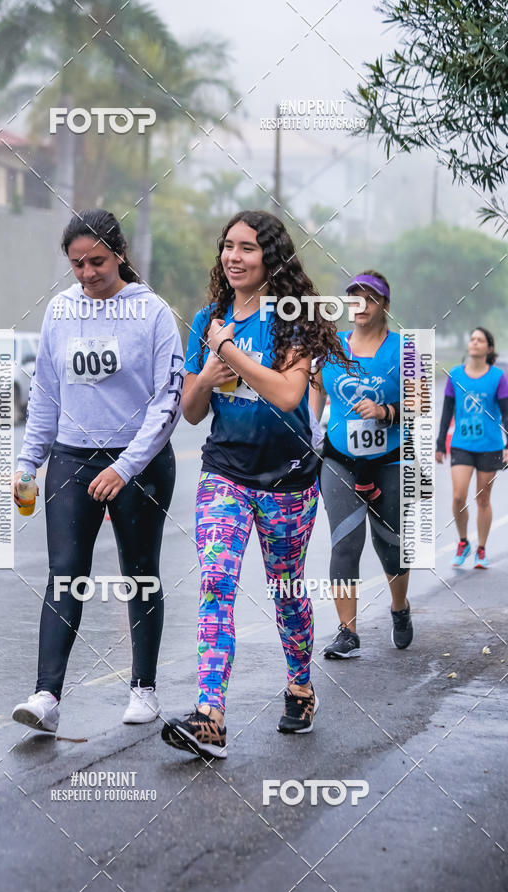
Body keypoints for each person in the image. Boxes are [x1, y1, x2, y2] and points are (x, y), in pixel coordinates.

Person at [160, 210, 353, 759]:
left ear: (271, 256)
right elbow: (192, 412)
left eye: (247, 247)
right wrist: (206, 376)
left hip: (288, 480)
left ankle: (300, 686)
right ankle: (210, 717)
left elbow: (289, 395)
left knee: (286, 589)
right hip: (225, 472)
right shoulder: (209, 319)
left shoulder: (294, 318)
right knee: (216, 584)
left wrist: (227, 352)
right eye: (228, 246)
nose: (233, 256)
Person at [11, 209, 183, 733]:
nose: (87, 273)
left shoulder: (153, 313)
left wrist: (126, 467)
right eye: (77, 264)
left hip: (140, 462)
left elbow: (168, 402)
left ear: (120, 255)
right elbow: (46, 392)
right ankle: (46, 697)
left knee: (140, 573)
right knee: (65, 573)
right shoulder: (61, 311)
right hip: (72, 457)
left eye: (98, 262)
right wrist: (28, 463)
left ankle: (144, 688)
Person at [310, 270, 414, 660]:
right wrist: (310, 433)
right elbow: (316, 389)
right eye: (355, 297)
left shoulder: (404, 349)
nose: (361, 305)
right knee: (345, 543)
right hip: (340, 459)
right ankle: (347, 633)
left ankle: (399, 607)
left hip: (389, 459)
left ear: (385, 305)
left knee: (391, 545)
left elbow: (421, 403)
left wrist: (386, 411)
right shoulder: (330, 346)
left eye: (370, 298)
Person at [436, 327, 508, 568]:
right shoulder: (455, 375)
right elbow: (447, 410)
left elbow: (506, 413)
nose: (474, 342)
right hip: (462, 444)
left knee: (483, 499)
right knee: (458, 496)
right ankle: (463, 541)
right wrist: (439, 443)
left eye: (480, 340)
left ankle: (481, 549)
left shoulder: (497, 377)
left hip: (490, 445)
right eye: (472, 339)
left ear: (489, 348)